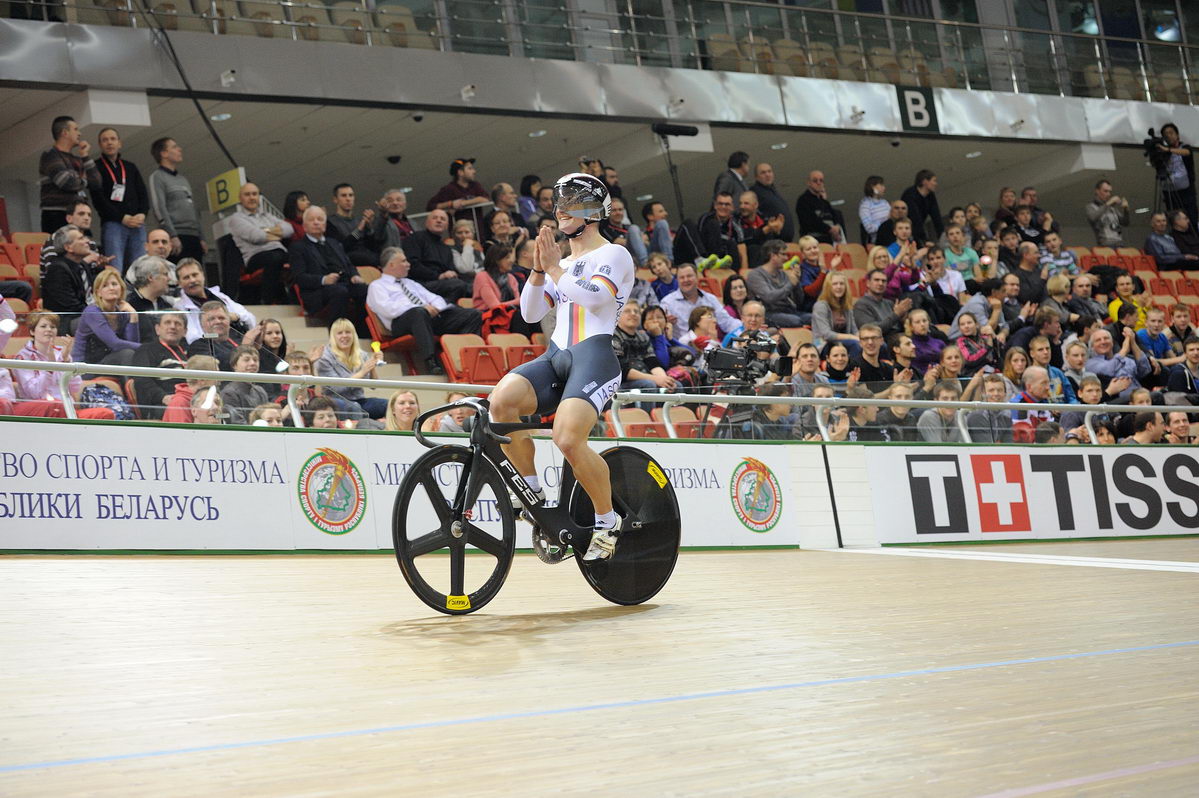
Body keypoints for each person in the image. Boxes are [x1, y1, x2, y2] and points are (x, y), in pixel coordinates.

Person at [487, 172, 635, 561]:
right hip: (556, 354)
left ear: (592, 212)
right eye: (559, 205)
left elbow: (596, 299)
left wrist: (554, 270)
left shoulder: (613, 254)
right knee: (501, 402)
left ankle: (608, 521)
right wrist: (539, 269)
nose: (560, 211)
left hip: (595, 357)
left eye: (571, 205)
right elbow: (531, 312)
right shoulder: (563, 262)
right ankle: (533, 492)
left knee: (567, 439)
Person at [367, 246, 483, 375]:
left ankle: (465, 357)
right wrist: (421, 308)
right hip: (400, 323)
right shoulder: (377, 286)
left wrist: (436, 308)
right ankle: (431, 362)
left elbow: (435, 298)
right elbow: (388, 309)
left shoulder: (410, 283)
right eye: (404, 261)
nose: (408, 264)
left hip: (427, 318)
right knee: (418, 313)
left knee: (473, 315)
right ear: (392, 264)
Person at [12, 310, 116, 421]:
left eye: (52, 327)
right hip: (40, 409)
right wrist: (50, 367)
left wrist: (66, 362)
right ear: (32, 331)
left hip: (65, 408)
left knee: (106, 414)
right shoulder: (22, 357)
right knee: (56, 406)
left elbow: (75, 386)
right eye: (43, 326)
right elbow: (33, 393)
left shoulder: (61, 354)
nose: (49, 330)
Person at [288, 205, 369, 331]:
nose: (316, 222)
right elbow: (299, 277)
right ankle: (337, 334)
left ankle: (363, 332)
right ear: (304, 226)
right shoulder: (298, 247)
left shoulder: (334, 243)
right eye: (312, 220)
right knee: (339, 291)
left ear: (325, 225)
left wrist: (354, 275)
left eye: (320, 220)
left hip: (343, 283)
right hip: (317, 291)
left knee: (364, 289)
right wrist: (324, 280)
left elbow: (348, 264)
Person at [91, 127, 148, 271]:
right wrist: (121, 217)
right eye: (105, 140)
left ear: (119, 143)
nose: (109, 143)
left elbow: (143, 193)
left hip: (136, 223)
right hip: (113, 224)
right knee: (115, 265)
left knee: (140, 266)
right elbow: (98, 199)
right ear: (100, 145)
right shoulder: (96, 167)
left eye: (113, 139)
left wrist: (142, 213)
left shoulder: (130, 167)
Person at [227, 182, 290, 303]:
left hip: (279, 253)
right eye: (247, 194)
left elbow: (289, 229)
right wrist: (277, 233)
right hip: (255, 257)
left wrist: (266, 232)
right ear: (240, 198)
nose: (251, 197)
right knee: (275, 258)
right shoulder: (236, 219)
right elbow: (256, 236)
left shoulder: (267, 216)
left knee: (300, 253)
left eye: (254, 194)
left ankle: (295, 300)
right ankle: (267, 300)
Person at [315, 318, 387, 418]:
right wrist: (362, 372)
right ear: (333, 337)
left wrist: (372, 365)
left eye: (348, 332)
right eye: (340, 333)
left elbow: (373, 386)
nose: (344, 336)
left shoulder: (362, 355)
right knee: (355, 408)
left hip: (360, 400)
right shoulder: (325, 357)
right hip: (335, 402)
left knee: (388, 405)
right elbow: (336, 388)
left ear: (353, 335)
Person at [39, 116, 100, 234]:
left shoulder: (77, 159)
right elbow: (66, 182)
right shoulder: (50, 155)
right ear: (65, 133)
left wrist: (85, 156)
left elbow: (96, 182)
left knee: (85, 250)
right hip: (57, 215)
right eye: (76, 129)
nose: (79, 133)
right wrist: (84, 181)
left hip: (78, 215)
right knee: (62, 250)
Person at [147, 137, 204, 262]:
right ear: (164, 153)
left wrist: (202, 237)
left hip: (194, 236)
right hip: (177, 235)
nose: (179, 149)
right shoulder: (157, 177)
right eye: (174, 147)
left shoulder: (183, 179)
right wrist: (172, 235)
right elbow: (159, 208)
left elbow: (193, 209)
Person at [174, 258, 256, 344]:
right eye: (186, 277)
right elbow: (193, 338)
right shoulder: (180, 308)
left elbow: (251, 319)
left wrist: (235, 317)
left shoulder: (219, 296)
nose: (192, 280)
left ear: (202, 275)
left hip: (241, 342)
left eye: (195, 275)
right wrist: (219, 335)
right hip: (214, 349)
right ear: (179, 283)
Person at [72, 268, 140, 367]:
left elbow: (132, 344)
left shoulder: (123, 312)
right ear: (98, 292)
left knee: (133, 354)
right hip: (86, 366)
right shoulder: (92, 312)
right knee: (127, 354)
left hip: (109, 361)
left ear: (121, 288)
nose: (111, 288)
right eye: (105, 286)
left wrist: (134, 316)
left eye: (114, 284)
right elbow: (115, 344)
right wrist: (146, 348)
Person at [401, 208, 471, 302]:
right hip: (420, 283)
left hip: (443, 283)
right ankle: (442, 309)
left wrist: (451, 274)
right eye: (435, 218)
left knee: (475, 288)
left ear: (447, 226)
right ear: (427, 222)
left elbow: (450, 270)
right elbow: (412, 265)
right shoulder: (415, 238)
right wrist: (438, 276)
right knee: (458, 285)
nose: (439, 221)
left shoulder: (446, 248)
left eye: (443, 219)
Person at [130, 310, 189, 419]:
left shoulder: (189, 352)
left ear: (185, 331)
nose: (172, 327)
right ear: (157, 329)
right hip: (163, 403)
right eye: (167, 322)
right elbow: (141, 379)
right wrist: (163, 397)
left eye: (177, 323)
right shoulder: (146, 350)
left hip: (190, 399)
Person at [660, 262, 739, 340]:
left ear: (697, 277)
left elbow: (727, 322)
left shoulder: (710, 299)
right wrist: (665, 323)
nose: (686, 280)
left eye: (689, 276)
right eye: (682, 277)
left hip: (710, 347)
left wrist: (745, 329)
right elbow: (661, 332)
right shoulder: (667, 303)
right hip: (683, 348)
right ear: (677, 280)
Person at [41, 225, 96, 331]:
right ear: (68, 247)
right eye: (81, 238)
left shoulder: (82, 265)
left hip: (84, 315)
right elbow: (71, 307)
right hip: (65, 323)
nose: (87, 241)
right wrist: (98, 313)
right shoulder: (58, 269)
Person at [473, 243, 534, 337]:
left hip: (509, 314)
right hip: (490, 316)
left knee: (534, 317)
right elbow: (494, 305)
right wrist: (516, 302)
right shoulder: (482, 276)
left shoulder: (511, 277)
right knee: (519, 316)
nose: (511, 261)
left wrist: (516, 302)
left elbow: (519, 301)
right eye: (507, 258)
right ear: (496, 260)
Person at [745, 240, 806, 328]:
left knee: (813, 317)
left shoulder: (783, 274)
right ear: (773, 255)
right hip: (768, 313)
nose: (786, 258)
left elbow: (799, 301)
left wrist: (796, 282)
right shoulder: (756, 275)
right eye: (783, 254)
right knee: (795, 320)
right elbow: (769, 297)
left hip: (789, 311)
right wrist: (790, 284)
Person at [186, 300, 257, 370]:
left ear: (229, 321)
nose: (217, 321)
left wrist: (258, 347)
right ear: (202, 325)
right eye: (211, 319)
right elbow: (217, 366)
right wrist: (244, 347)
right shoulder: (197, 346)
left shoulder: (238, 339)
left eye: (221, 318)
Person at [1086, 327, 1149, 403]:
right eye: (1098, 340)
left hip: (1140, 397)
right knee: (1156, 396)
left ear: (1112, 342)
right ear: (1092, 347)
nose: (1103, 342)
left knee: (1158, 396)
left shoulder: (1126, 359)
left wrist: (1132, 342)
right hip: (1117, 402)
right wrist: (1125, 348)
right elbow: (1110, 370)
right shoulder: (1090, 363)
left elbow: (1145, 370)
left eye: (1106, 338)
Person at [125, 255, 175, 343]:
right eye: (165, 274)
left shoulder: (167, 305)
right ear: (151, 277)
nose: (169, 279)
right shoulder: (129, 305)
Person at [326, 183, 377, 266]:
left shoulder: (360, 220)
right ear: (335, 199)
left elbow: (373, 247)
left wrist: (369, 227)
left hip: (369, 262)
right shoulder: (330, 222)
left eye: (351, 195)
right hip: (348, 265)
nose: (348, 199)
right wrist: (359, 230)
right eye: (343, 195)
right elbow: (341, 248)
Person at [219, 345, 271, 425]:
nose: (252, 363)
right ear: (234, 365)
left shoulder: (260, 391)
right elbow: (237, 424)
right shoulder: (229, 393)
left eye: (255, 360)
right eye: (246, 360)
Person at [426, 157, 490, 222]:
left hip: (478, 229)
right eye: (470, 168)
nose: (474, 171)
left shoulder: (475, 185)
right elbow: (430, 206)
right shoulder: (449, 189)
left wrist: (463, 203)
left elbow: (485, 199)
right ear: (460, 172)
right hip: (459, 229)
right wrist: (450, 204)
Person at [1158, 123, 1198, 225]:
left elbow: (1187, 152)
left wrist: (1169, 150)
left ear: (1177, 135)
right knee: (1174, 219)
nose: (1168, 136)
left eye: (1171, 133)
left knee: (1190, 218)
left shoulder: (1184, 147)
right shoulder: (1163, 154)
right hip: (1170, 192)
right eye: (1165, 134)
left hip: (1186, 192)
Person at [697, 192, 747, 271]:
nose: (723, 207)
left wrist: (744, 271)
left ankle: (734, 274)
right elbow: (698, 239)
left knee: (732, 244)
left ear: (732, 207)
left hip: (724, 257)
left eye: (727, 204)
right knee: (714, 224)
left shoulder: (735, 224)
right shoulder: (706, 218)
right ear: (715, 206)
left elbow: (742, 247)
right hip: (706, 255)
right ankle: (712, 262)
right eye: (720, 204)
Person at [163, 354, 220, 423]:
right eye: (217, 375)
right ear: (202, 380)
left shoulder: (213, 399)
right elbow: (181, 432)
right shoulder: (179, 403)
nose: (220, 380)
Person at [811, 272, 859, 353]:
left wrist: (866, 338)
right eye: (835, 284)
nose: (839, 287)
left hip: (846, 342)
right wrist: (850, 337)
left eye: (841, 284)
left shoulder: (847, 306)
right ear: (828, 287)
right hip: (823, 344)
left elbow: (854, 330)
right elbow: (826, 335)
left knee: (878, 346)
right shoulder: (820, 306)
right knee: (854, 345)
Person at [794, 170, 843, 244]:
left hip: (828, 242)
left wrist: (837, 228)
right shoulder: (803, 200)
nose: (819, 183)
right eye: (815, 180)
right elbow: (810, 221)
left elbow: (835, 216)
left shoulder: (825, 202)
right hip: (812, 241)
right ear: (808, 183)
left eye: (821, 180)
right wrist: (830, 229)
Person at [749, 162, 794, 243]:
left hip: (785, 240)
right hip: (771, 240)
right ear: (756, 177)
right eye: (763, 172)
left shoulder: (773, 192)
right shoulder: (755, 192)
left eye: (769, 171)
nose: (767, 174)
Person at [966, 374, 1014, 443]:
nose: (996, 393)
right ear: (983, 393)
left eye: (1000, 390)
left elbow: (1010, 446)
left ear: (1005, 393)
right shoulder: (977, 416)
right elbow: (987, 448)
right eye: (991, 390)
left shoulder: (1006, 417)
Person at [900, 169, 943, 243]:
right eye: (934, 181)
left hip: (918, 229)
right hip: (907, 231)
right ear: (925, 181)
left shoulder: (930, 195)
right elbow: (915, 220)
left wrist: (943, 237)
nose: (936, 184)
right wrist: (924, 240)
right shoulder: (909, 195)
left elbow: (937, 217)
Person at [1086, 179, 1130, 247]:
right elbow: (1093, 217)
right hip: (1105, 245)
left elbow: (1125, 223)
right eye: (1105, 191)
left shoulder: (1112, 208)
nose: (1108, 194)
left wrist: (1126, 209)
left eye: (1110, 192)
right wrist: (1109, 203)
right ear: (1097, 191)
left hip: (1120, 244)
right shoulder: (1091, 207)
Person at [858, 176, 890, 245]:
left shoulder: (885, 202)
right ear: (873, 187)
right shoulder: (865, 205)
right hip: (878, 242)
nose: (884, 188)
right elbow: (869, 228)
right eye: (881, 185)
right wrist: (885, 221)